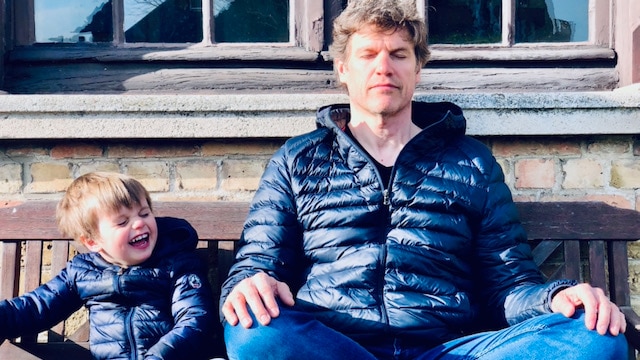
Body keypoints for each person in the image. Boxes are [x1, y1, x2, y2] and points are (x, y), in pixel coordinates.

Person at [220, 1, 628, 359]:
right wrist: (247, 284)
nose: (384, 67)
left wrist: (557, 297)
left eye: (398, 54)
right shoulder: (299, 160)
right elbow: (257, 262)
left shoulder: (471, 163)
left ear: (418, 68)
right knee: (251, 331)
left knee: (596, 339)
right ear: (343, 69)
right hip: (334, 345)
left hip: (447, 348)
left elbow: (508, 283)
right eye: (368, 54)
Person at [0, 172, 215, 360]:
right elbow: (36, 308)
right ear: (92, 242)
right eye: (122, 222)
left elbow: (194, 320)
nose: (139, 223)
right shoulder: (82, 273)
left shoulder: (177, 265)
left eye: (144, 213)